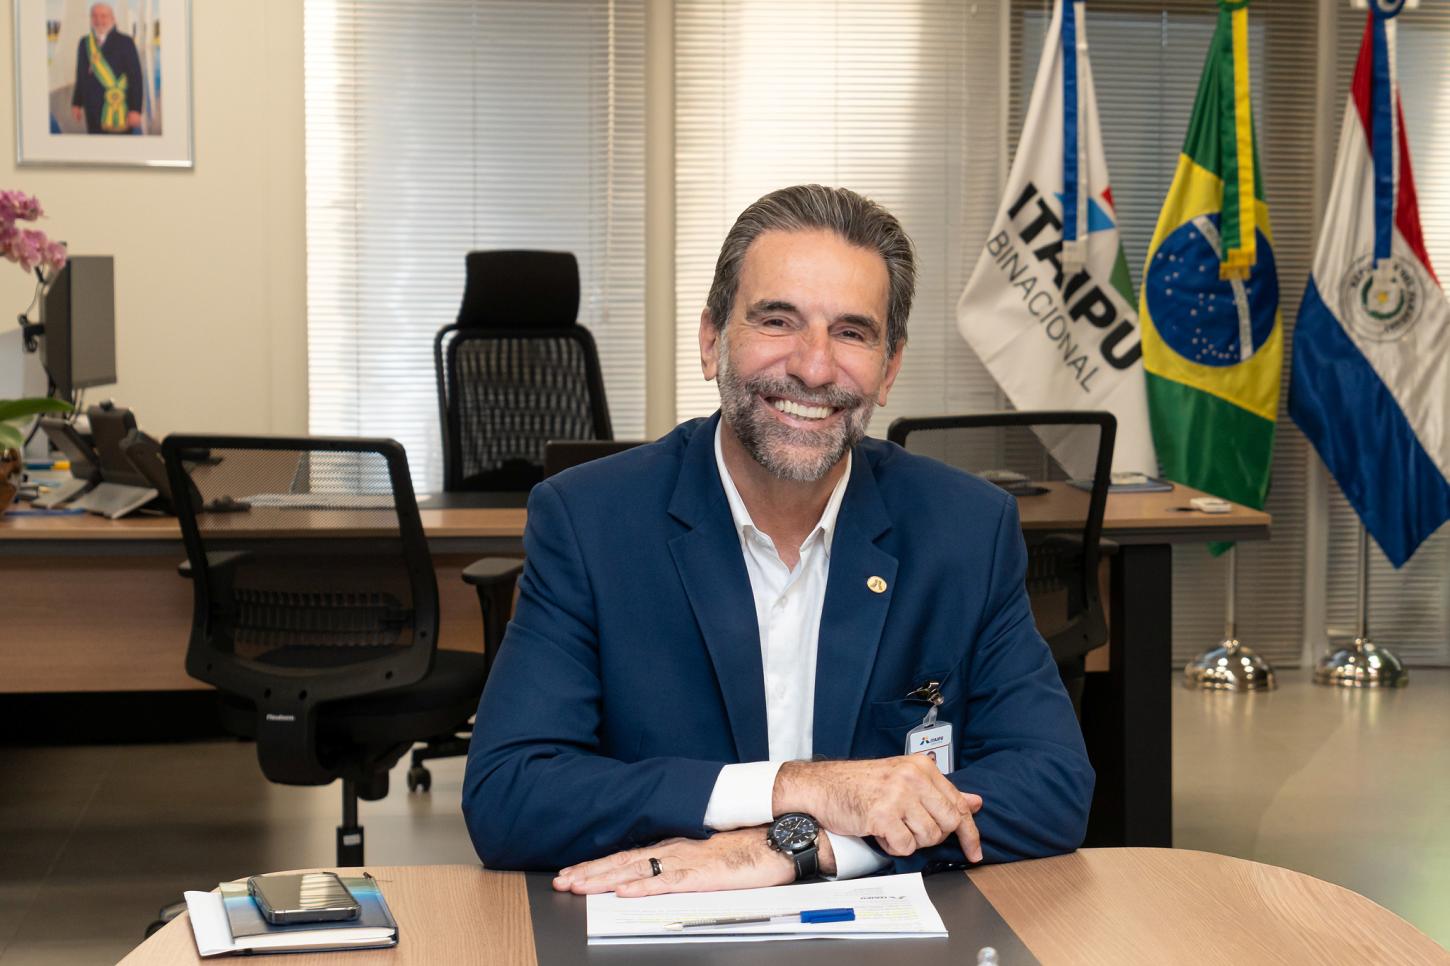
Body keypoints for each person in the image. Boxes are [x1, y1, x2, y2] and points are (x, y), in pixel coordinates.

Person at [463, 185, 1093, 897]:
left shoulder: (965, 529)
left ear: (889, 369)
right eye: (777, 321)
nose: (814, 368)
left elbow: (1052, 784)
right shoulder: (590, 521)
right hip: (660, 933)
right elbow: (510, 792)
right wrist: (793, 788)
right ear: (712, 341)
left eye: (851, 333)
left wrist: (805, 848)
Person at [70, 3, 143, 135]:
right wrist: (77, 103)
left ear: (113, 19)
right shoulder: (84, 42)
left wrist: (135, 110)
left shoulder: (126, 42)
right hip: (92, 111)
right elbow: (80, 75)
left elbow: (135, 78)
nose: (99, 20)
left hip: (120, 108)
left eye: (103, 16)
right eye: (94, 16)